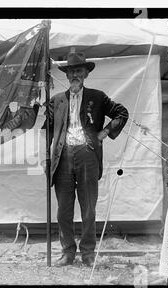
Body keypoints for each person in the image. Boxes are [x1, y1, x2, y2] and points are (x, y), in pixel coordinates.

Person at [42, 51, 129, 267]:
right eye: (71, 71)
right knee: (63, 209)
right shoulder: (56, 100)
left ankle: (88, 253)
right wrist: (44, 156)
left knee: (88, 207)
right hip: (62, 157)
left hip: (87, 155)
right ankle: (67, 252)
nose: (75, 75)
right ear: (67, 74)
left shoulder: (97, 97)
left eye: (79, 71)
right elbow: (48, 130)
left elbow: (122, 113)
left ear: (86, 74)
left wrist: (103, 134)